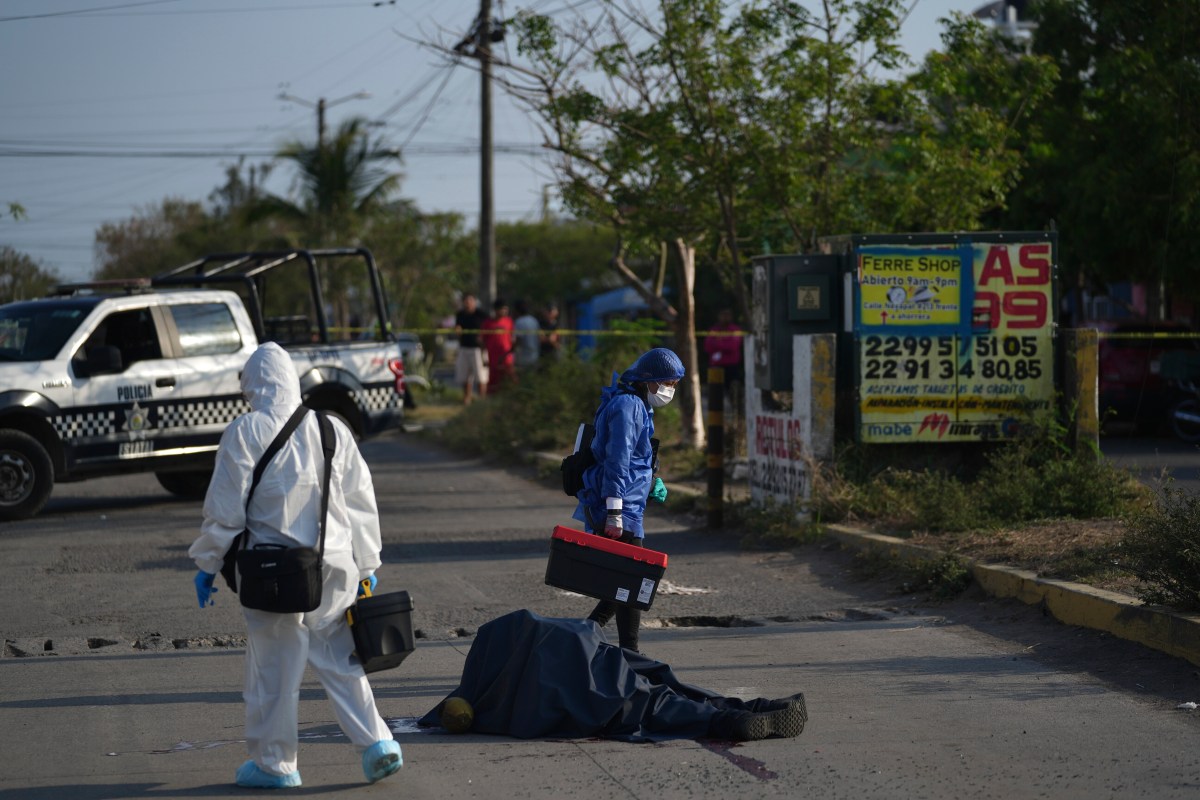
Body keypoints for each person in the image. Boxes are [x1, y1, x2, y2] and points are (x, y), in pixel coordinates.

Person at [188, 342, 402, 789]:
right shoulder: (331, 429)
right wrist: (367, 564)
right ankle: (378, 744)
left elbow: (225, 512)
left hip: (274, 577)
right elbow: (361, 501)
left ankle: (275, 765)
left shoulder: (244, 431)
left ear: (253, 384)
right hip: (335, 568)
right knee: (343, 660)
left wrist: (208, 563)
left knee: (274, 672)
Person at [573, 347, 685, 653]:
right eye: (667, 383)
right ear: (648, 380)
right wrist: (614, 512)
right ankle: (628, 652)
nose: (669, 390)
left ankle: (586, 641)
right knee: (631, 580)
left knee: (623, 582)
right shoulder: (628, 406)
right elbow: (617, 460)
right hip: (617, 506)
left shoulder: (637, 404)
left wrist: (650, 482)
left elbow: (635, 459)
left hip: (625, 504)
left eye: (674, 385)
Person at [454, 293, 489, 405]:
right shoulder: (460, 314)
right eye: (466, 301)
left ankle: (481, 399)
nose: (468, 303)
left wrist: (482, 338)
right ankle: (467, 398)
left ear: (474, 301)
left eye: (470, 300)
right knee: (465, 376)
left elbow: (488, 327)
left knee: (481, 376)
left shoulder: (481, 314)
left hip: (478, 349)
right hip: (464, 347)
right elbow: (458, 328)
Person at [480, 298, 515, 393]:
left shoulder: (509, 322)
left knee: (510, 377)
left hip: (506, 356)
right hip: (492, 356)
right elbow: (482, 341)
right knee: (493, 380)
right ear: (496, 310)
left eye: (506, 309)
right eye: (502, 309)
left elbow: (513, 338)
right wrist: (483, 357)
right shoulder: (487, 323)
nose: (505, 311)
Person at [512, 300, 540, 371]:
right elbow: (539, 337)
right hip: (535, 356)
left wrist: (511, 351)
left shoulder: (519, 322)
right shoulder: (534, 320)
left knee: (524, 379)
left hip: (523, 358)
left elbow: (518, 340)